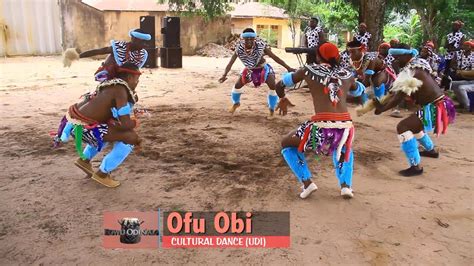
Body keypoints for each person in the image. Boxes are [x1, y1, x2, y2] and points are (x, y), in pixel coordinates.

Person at [276, 42, 366, 199]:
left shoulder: (308, 70)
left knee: (286, 144)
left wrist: (283, 98)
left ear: (318, 56)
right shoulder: (347, 74)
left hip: (321, 128)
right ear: (337, 56)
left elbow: (281, 84)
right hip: (345, 128)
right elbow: (359, 91)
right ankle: (346, 186)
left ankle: (307, 183)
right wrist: (353, 84)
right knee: (344, 147)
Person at [53, 63, 142, 187]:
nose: (137, 82)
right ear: (130, 77)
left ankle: (84, 160)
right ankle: (102, 174)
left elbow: (111, 118)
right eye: (137, 79)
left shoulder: (108, 85)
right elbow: (126, 124)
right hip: (85, 129)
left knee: (109, 131)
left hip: (76, 126)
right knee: (131, 137)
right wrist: (135, 122)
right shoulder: (121, 90)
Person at [373, 43, 456, 176]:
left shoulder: (410, 71)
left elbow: (398, 97)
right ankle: (430, 150)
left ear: (407, 55)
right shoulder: (418, 65)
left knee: (403, 127)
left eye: (397, 57)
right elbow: (398, 94)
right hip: (441, 104)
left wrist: (382, 108)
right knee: (415, 126)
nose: (395, 60)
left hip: (435, 107)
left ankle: (415, 166)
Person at [218, 28, 295, 117]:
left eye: (251, 39)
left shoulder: (261, 46)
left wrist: (288, 68)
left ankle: (271, 109)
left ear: (254, 38)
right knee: (237, 86)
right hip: (250, 70)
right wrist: (224, 75)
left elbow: (275, 58)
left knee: (272, 86)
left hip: (263, 69)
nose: (249, 41)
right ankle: (236, 103)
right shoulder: (239, 48)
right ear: (243, 39)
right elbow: (231, 62)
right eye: (247, 39)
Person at [64, 28, 151, 82]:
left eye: (146, 42)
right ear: (134, 39)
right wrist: (78, 56)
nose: (145, 45)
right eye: (143, 42)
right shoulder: (120, 47)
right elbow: (99, 51)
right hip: (107, 76)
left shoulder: (142, 54)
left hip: (125, 80)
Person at [451, 41, 474, 111]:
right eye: (464, 45)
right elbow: (452, 64)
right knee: (452, 84)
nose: (464, 47)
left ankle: (468, 107)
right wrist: (459, 71)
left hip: (470, 79)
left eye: (467, 46)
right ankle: (462, 104)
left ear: (470, 47)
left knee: (462, 88)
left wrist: (462, 72)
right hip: (468, 79)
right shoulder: (459, 53)